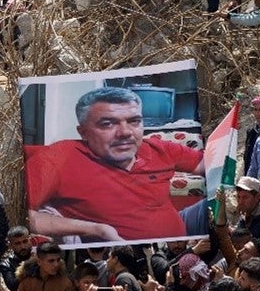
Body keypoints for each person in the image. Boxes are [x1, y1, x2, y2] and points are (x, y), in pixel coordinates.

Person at [26, 87, 204, 243]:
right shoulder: (59, 157)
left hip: (185, 231)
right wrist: (94, 229)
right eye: (108, 124)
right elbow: (23, 215)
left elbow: (208, 166)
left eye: (134, 121)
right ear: (83, 132)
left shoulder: (158, 148)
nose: (125, 133)